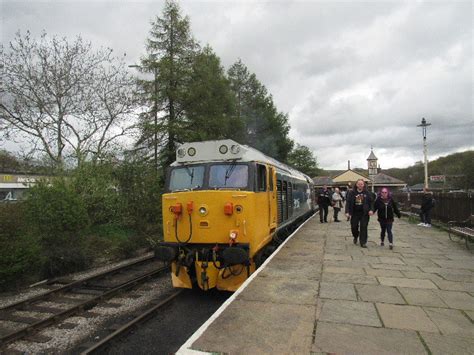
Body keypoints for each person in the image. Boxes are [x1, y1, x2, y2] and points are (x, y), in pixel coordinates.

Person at [345, 179, 374, 248]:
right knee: (354, 227)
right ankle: (355, 236)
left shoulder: (367, 193)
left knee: (363, 227)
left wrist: (371, 210)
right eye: (359, 184)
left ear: (363, 185)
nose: (360, 185)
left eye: (361, 184)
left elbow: (372, 202)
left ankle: (363, 242)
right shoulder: (352, 193)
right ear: (356, 185)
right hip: (355, 212)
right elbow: (348, 203)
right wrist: (347, 212)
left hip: (364, 213)